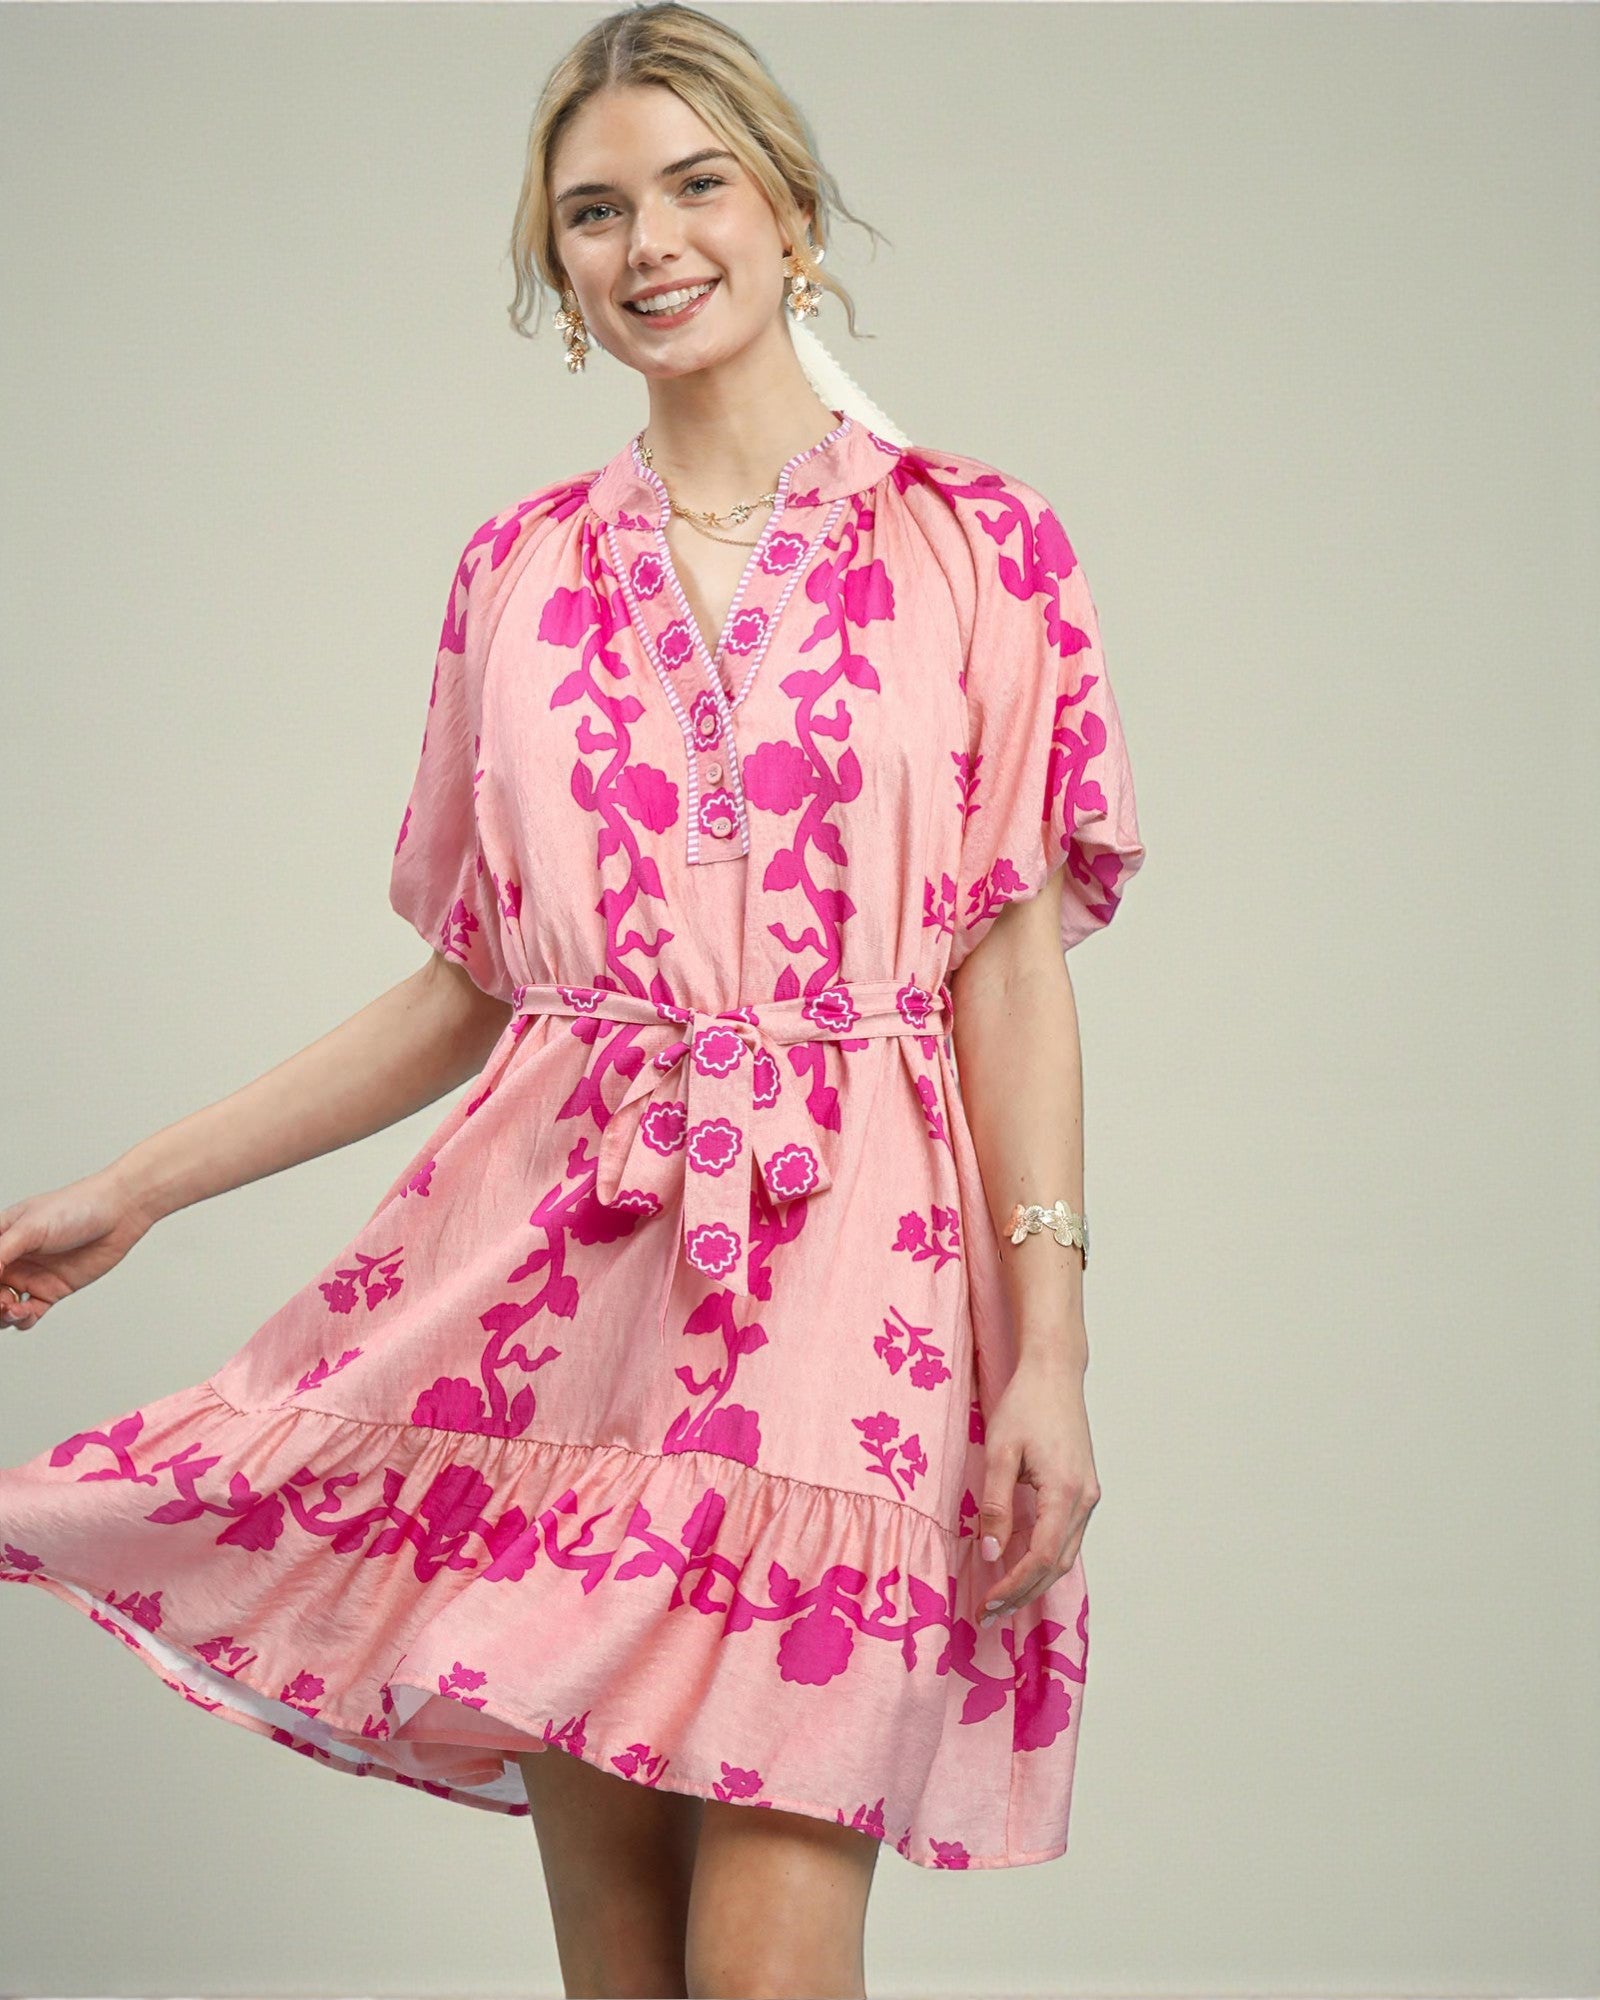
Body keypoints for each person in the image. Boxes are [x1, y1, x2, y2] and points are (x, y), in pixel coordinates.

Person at [0, 5, 1146, 1995]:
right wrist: (144, 1184)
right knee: (619, 1972)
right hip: (559, 1276)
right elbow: (469, 987)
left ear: (791, 210)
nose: (649, 242)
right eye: (593, 210)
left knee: (769, 1960)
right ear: (557, 271)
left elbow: (1009, 965)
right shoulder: (515, 570)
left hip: (850, 1282)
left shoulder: (978, 546)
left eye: (695, 184)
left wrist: (1045, 1343)